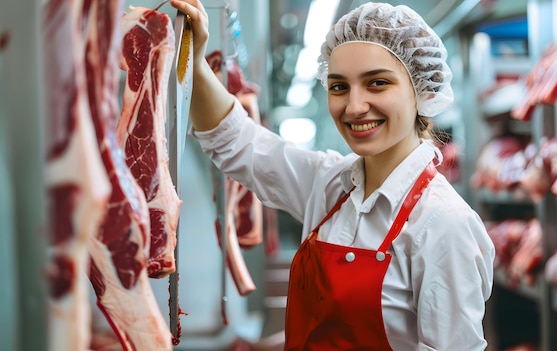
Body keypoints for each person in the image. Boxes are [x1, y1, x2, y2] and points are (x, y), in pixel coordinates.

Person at [170, 0, 495, 349]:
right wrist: (194, 59)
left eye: (377, 83)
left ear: (423, 90)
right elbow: (237, 143)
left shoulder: (443, 223)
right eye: (339, 87)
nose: (354, 107)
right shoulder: (330, 185)